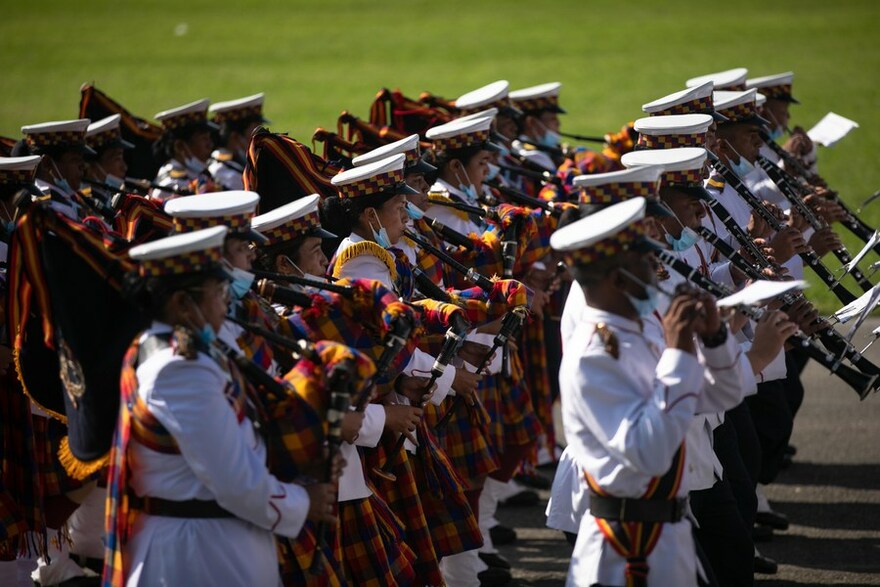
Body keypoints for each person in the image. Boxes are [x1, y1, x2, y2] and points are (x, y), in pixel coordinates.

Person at [104, 225, 337, 586]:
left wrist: (305, 460)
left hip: (212, 544)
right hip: (197, 556)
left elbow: (240, 443)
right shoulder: (178, 370)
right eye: (218, 291)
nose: (226, 301)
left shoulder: (190, 351)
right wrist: (302, 501)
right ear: (183, 303)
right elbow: (235, 481)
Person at [553, 196, 747, 587]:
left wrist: (713, 340)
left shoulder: (639, 330)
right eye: (646, 259)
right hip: (623, 546)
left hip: (666, 534)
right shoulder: (593, 354)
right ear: (619, 279)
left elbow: (723, 395)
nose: (660, 266)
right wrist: (677, 352)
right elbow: (650, 451)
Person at [149, 99, 217, 202]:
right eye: (204, 139)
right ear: (180, 147)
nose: (210, 145)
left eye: (209, 138)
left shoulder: (196, 173)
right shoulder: (170, 185)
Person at [208, 93, 269, 191]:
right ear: (235, 138)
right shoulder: (225, 173)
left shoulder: (239, 163)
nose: (263, 138)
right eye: (257, 133)